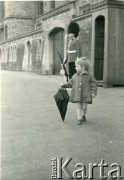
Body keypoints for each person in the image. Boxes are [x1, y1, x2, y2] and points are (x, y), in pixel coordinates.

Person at [61, 57, 97, 125]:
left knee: (84, 106)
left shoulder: (89, 76)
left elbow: (94, 84)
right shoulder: (75, 76)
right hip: (77, 94)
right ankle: (79, 118)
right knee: (79, 106)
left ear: (83, 67)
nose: (75, 68)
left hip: (85, 94)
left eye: (77, 66)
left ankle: (83, 115)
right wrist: (64, 85)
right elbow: (70, 83)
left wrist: (93, 92)